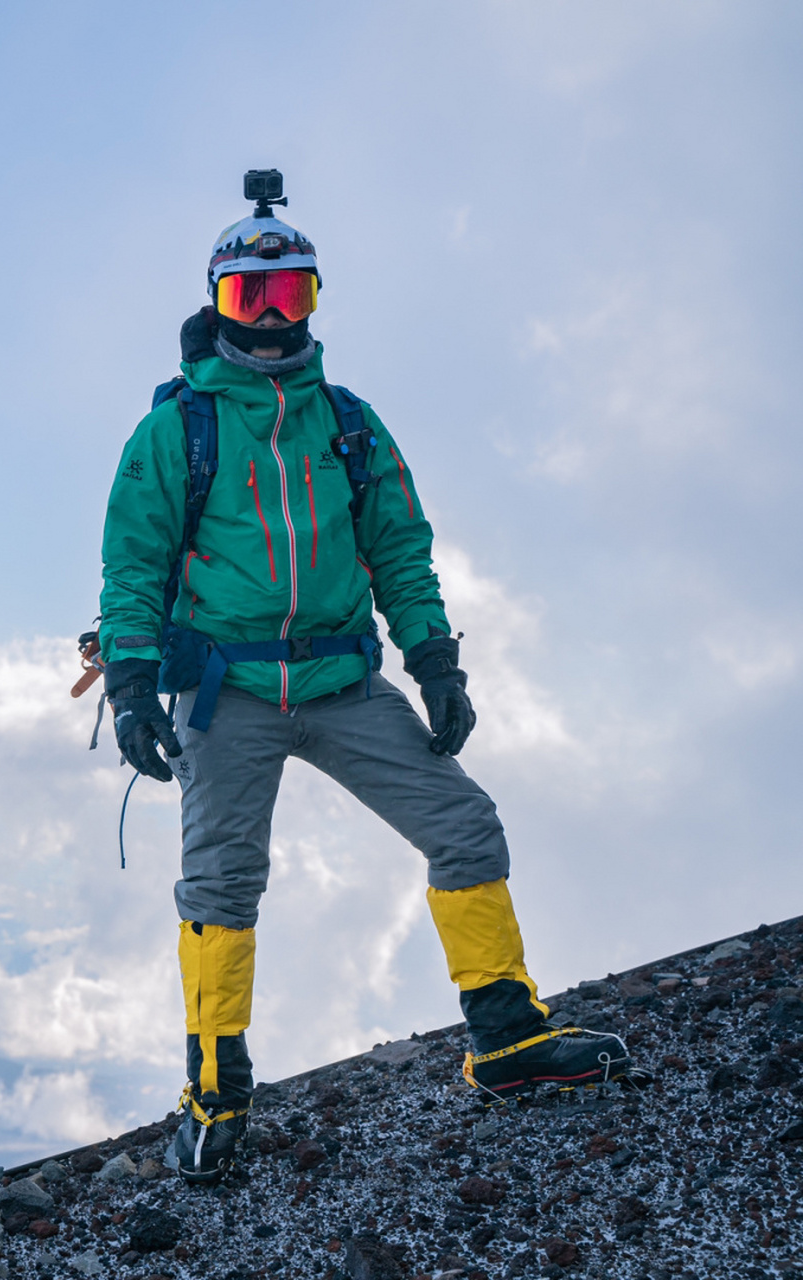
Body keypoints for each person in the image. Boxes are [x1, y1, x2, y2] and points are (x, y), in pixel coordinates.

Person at [95, 171, 634, 1183]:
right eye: (249, 295)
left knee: (464, 825)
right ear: (216, 300)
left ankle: (507, 1039)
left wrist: (435, 659)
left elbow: (399, 549)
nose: (268, 317)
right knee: (221, 885)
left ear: (314, 298)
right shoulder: (176, 430)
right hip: (227, 690)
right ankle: (214, 1091)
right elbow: (132, 562)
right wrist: (130, 687)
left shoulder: (349, 422)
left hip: (343, 680)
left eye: (287, 293)